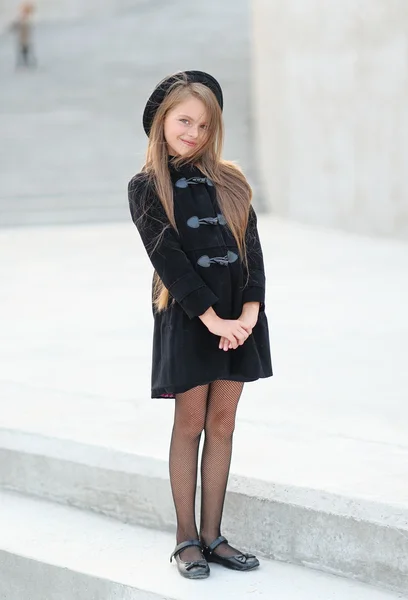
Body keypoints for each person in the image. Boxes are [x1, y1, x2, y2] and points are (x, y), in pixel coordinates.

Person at [128, 71, 273, 579]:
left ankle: (214, 535)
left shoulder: (231, 180)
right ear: (162, 121)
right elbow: (169, 261)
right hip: (192, 319)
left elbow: (251, 252)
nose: (193, 132)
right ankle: (186, 537)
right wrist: (213, 318)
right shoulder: (147, 186)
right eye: (184, 120)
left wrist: (248, 315)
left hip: (240, 321)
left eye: (204, 125)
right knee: (190, 422)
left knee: (224, 422)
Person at [10, 3, 36, 69]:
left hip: (25, 39)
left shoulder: (27, 21)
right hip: (22, 39)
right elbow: (14, 27)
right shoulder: (21, 21)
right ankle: (23, 63)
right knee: (23, 51)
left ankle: (25, 63)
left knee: (25, 51)